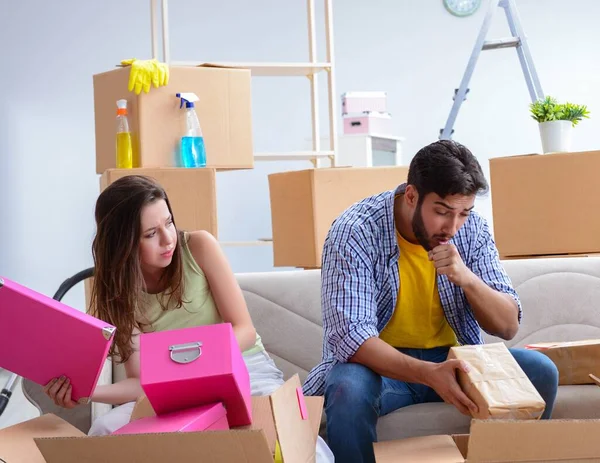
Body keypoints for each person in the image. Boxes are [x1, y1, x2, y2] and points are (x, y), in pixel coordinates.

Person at [44, 175, 334, 461]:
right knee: (104, 430)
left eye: (168, 222)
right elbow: (142, 380)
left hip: (245, 368)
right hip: (175, 391)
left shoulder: (199, 247)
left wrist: (192, 365)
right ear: (123, 243)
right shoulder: (119, 290)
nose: (168, 239)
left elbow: (244, 329)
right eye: (150, 234)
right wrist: (89, 393)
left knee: (303, 446)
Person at [302, 140, 559, 463]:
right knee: (347, 387)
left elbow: (507, 325)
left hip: (456, 362)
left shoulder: (472, 230)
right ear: (411, 196)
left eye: (463, 213)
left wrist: (466, 277)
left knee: (540, 371)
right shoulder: (355, 231)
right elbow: (351, 340)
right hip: (381, 368)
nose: (452, 227)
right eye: (441, 212)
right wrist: (428, 372)